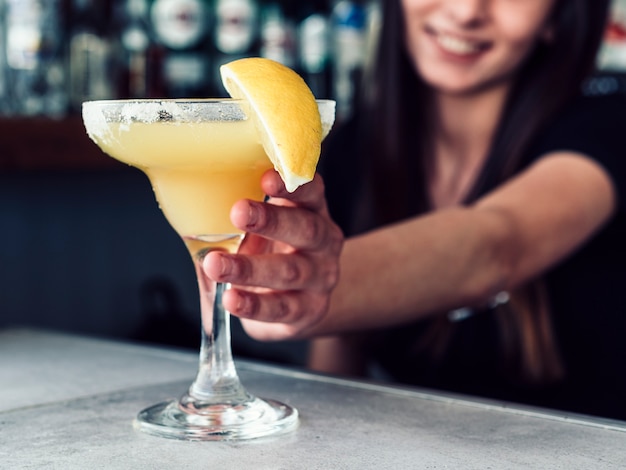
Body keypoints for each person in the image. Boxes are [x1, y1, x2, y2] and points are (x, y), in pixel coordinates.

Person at [203, 0, 626, 421]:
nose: (465, 12)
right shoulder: (356, 149)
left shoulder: (609, 126)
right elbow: (336, 370)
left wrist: (316, 283)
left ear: (557, 17)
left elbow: (499, 243)